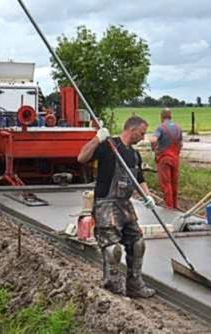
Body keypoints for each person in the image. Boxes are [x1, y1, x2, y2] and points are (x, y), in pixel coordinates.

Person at [78, 116, 156, 298]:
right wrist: (97, 138)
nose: (143, 138)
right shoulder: (108, 145)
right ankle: (113, 288)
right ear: (132, 129)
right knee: (114, 249)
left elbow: (139, 179)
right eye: (142, 133)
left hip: (125, 205)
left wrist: (148, 197)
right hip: (106, 203)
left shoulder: (134, 154)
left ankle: (135, 285)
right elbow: (82, 157)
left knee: (138, 244)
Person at [149, 108, 183, 209]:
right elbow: (180, 144)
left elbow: (153, 140)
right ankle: (175, 206)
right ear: (170, 116)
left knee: (166, 183)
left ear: (161, 117)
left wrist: (154, 149)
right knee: (174, 183)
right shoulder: (178, 128)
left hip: (164, 159)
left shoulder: (160, 128)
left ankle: (169, 207)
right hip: (175, 159)